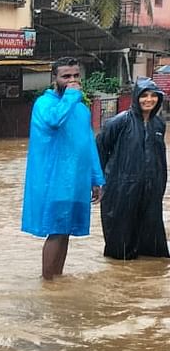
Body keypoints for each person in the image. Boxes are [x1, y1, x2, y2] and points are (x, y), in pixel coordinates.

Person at [22, 57, 105, 279]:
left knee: (66, 232)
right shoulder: (44, 104)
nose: (72, 80)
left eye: (76, 76)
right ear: (54, 79)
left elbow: (88, 143)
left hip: (76, 181)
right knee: (57, 231)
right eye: (66, 76)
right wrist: (71, 95)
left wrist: (96, 178)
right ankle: (48, 282)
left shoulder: (80, 109)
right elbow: (54, 121)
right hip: (54, 181)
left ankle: (57, 278)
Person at [96, 78, 168, 260]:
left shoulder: (159, 125)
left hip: (151, 189)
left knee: (152, 246)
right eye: (144, 96)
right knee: (121, 243)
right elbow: (100, 149)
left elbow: (160, 158)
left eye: (153, 96)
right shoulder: (119, 122)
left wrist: (160, 186)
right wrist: (100, 183)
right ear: (136, 97)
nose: (149, 100)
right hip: (121, 189)